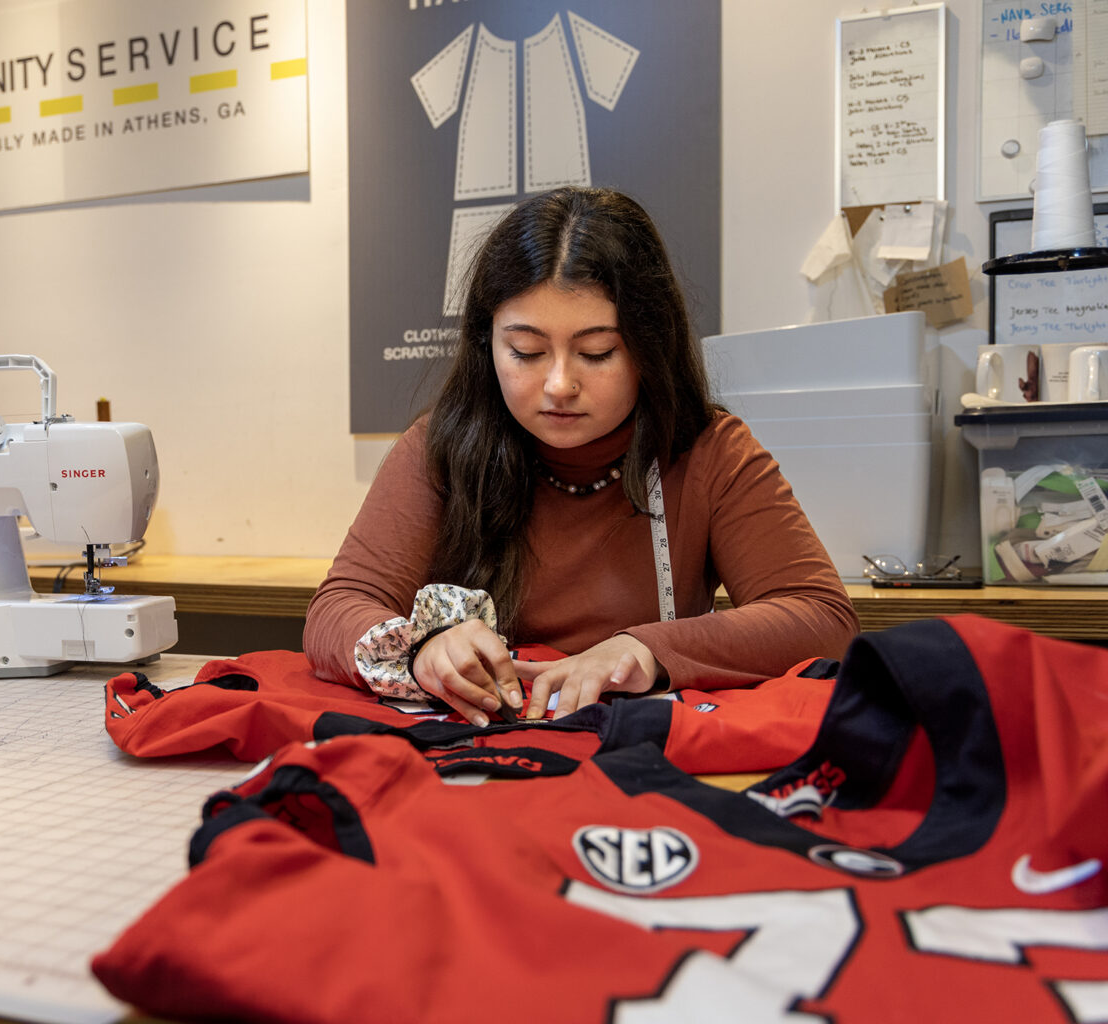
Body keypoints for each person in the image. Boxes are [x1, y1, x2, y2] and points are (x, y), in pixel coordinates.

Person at [304, 186, 859, 726]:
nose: (559, 384)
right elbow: (337, 610)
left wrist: (644, 650)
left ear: (649, 346)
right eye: (526, 352)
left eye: (597, 353)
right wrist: (421, 647)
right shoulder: (437, 451)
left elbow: (822, 618)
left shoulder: (711, 453)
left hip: (637, 758)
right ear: (487, 344)